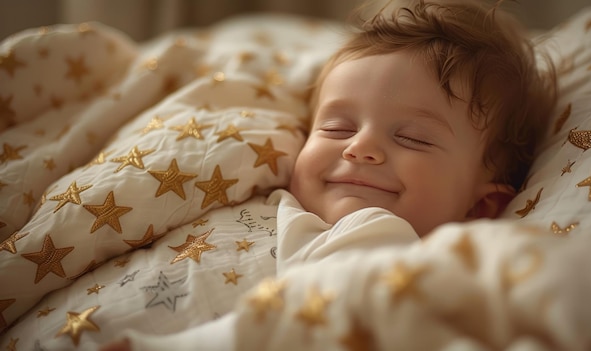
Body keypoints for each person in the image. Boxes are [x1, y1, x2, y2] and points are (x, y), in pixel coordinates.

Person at [102, 0, 557, 349]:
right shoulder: (269, 191)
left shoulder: (381, 237)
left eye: (414, 138)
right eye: (338, 127)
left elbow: (310, 318)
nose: (359, 147)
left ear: (481, 207)